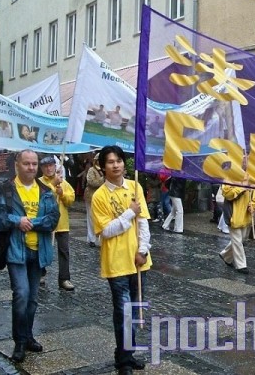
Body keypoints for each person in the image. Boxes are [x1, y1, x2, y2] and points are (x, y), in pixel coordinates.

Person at [0, 149, 60, 363]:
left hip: (39, 251)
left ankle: (28, 336)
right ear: (17, 165)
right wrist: (16, 221)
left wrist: (31, 223)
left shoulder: (46, 190)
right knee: (21, 294)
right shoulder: (5, 188)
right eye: (27, 163)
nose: (31, 167)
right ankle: (19, 341)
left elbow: (53, 219)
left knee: (33, 299)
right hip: (16, 250)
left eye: (34, 164)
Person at [90, 145, 151, 374]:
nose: (116, 165)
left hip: (138, 261)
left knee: (134, 310)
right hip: (116, 262)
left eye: (118, 160)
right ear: (102, 167)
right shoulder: (99, 196)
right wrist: (129, 213)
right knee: (123, 311)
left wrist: (143, 250)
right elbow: (106, 231)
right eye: (110, 162)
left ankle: (126, 353)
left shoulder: (135, 186)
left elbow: (143, 222)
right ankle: (124, 361)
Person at [39, 155, 76, 291]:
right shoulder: (39, 182)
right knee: (42, 249)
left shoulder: (63, 182)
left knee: (64, 251)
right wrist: (53, 187)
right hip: (44, 222)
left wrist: (62, 194)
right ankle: (40, 273)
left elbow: (71, 200)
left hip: (61, 223)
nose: (48, 168)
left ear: (55, 166)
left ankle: (64, 278)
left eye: (50, 165)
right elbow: (40, 198)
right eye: (45, 166)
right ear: (41, 168)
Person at [219, 173, 255, 274]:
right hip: (233, 215)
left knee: (241, 239)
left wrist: (253, 205)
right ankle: (241, 265)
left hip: (245, 215)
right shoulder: (229, 176)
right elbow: (227, 194)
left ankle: (226, 256)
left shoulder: (252, 176)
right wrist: (242, 188)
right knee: (237, 241)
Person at [84, 153, 105, 247]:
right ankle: (91, 238)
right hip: (91, 197)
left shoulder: (105, 170)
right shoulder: (91, 170)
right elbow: (91, 182)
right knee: (91, 218)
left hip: (102, 198)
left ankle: (100, 238)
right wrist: (103, 179)